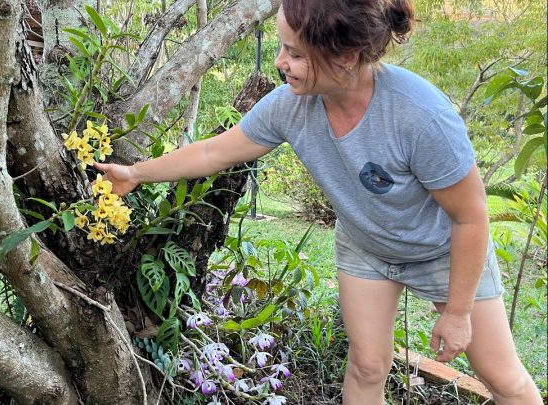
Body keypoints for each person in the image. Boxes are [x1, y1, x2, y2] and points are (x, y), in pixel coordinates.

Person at [95, 0, 543, 403]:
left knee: (502, 379)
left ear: (345, 56)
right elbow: (214, 151)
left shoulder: (420, 116)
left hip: (444, 252)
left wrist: (459, 312)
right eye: (281, 48)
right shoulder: (289, 106)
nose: (280, 64)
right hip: (366, 247)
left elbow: (471, 217)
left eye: (295, 54)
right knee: (367, 366)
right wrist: (135, 174)